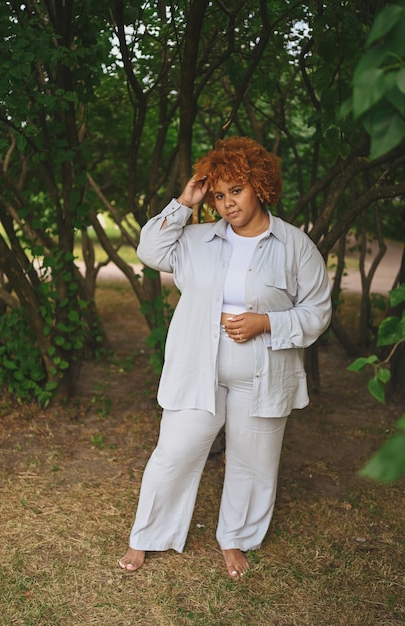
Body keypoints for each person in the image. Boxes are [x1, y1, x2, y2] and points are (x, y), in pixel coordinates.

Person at [118, 136, 332, 578]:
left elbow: (318, 311)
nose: (228, 203)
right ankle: (147, 535)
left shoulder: (294, 245)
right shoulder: (196, 239)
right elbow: (149, 251)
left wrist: (267, 323)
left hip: (264, 371)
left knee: (252, 461)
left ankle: (235, 539)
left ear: (260, 186)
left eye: (236, 190)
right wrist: (185, 200)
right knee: (173, 453)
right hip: (199, 368)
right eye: (219, 195)